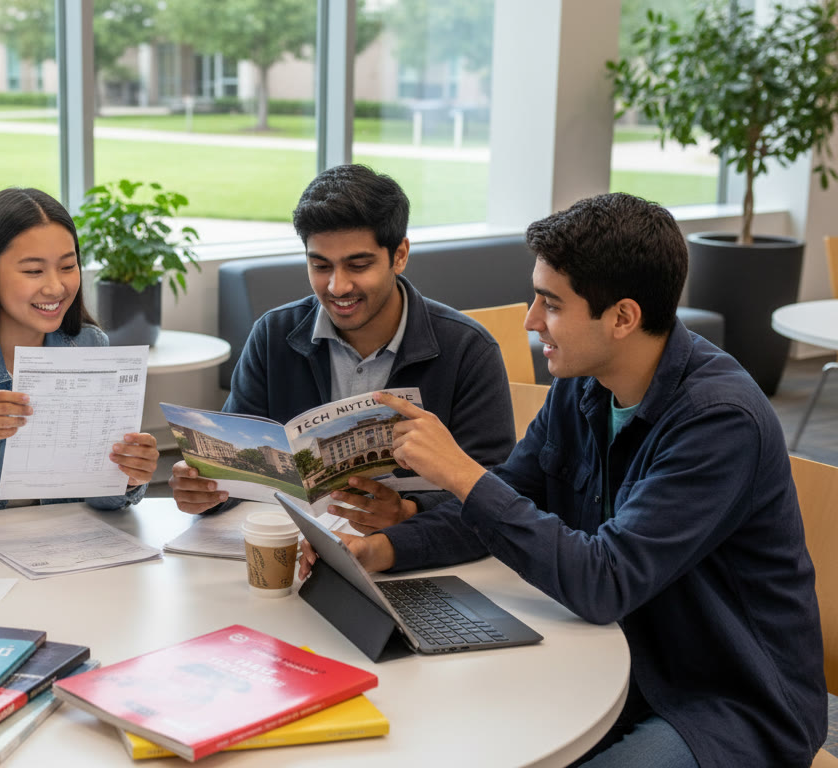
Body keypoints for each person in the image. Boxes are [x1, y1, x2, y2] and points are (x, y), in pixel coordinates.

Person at [302, 193, 826, 767]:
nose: (530, 321)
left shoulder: (719, 422)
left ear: (622, 317)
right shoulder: (584, 384)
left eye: (550, 304)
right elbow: (503, 510)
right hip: (615, 659)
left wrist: (460, 471)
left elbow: (603, 582)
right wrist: (379, 549)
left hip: (727, 702)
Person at [170, 164, 514, 526]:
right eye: (320, 266)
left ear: (399, 255)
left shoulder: (468, 350)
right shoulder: (273, 334)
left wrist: (410, 513)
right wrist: (206, 493)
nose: (337, 287)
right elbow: (236, 476)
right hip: (294, 546)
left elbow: (495, 490)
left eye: (358, 265)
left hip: (418, 554)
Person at [0, 187, 159, 532]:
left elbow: (103, 500)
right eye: (34, 271)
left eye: (68, 266)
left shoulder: (91, 346)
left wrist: (127, 475)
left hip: (63, 553)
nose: (55, 287)